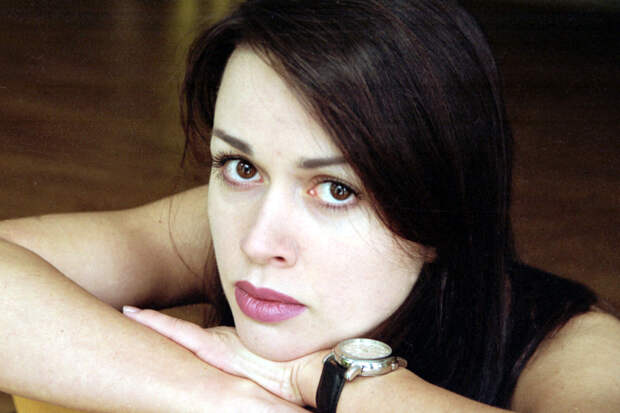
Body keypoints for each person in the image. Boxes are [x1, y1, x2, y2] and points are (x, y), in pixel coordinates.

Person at [1, 0, 618, 412]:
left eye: (336, 190)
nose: (257, 242)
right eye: (242, 167)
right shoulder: (220, 224)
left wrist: (333, 382)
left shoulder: (576, 347)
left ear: (440, 211)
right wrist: (223, 397)